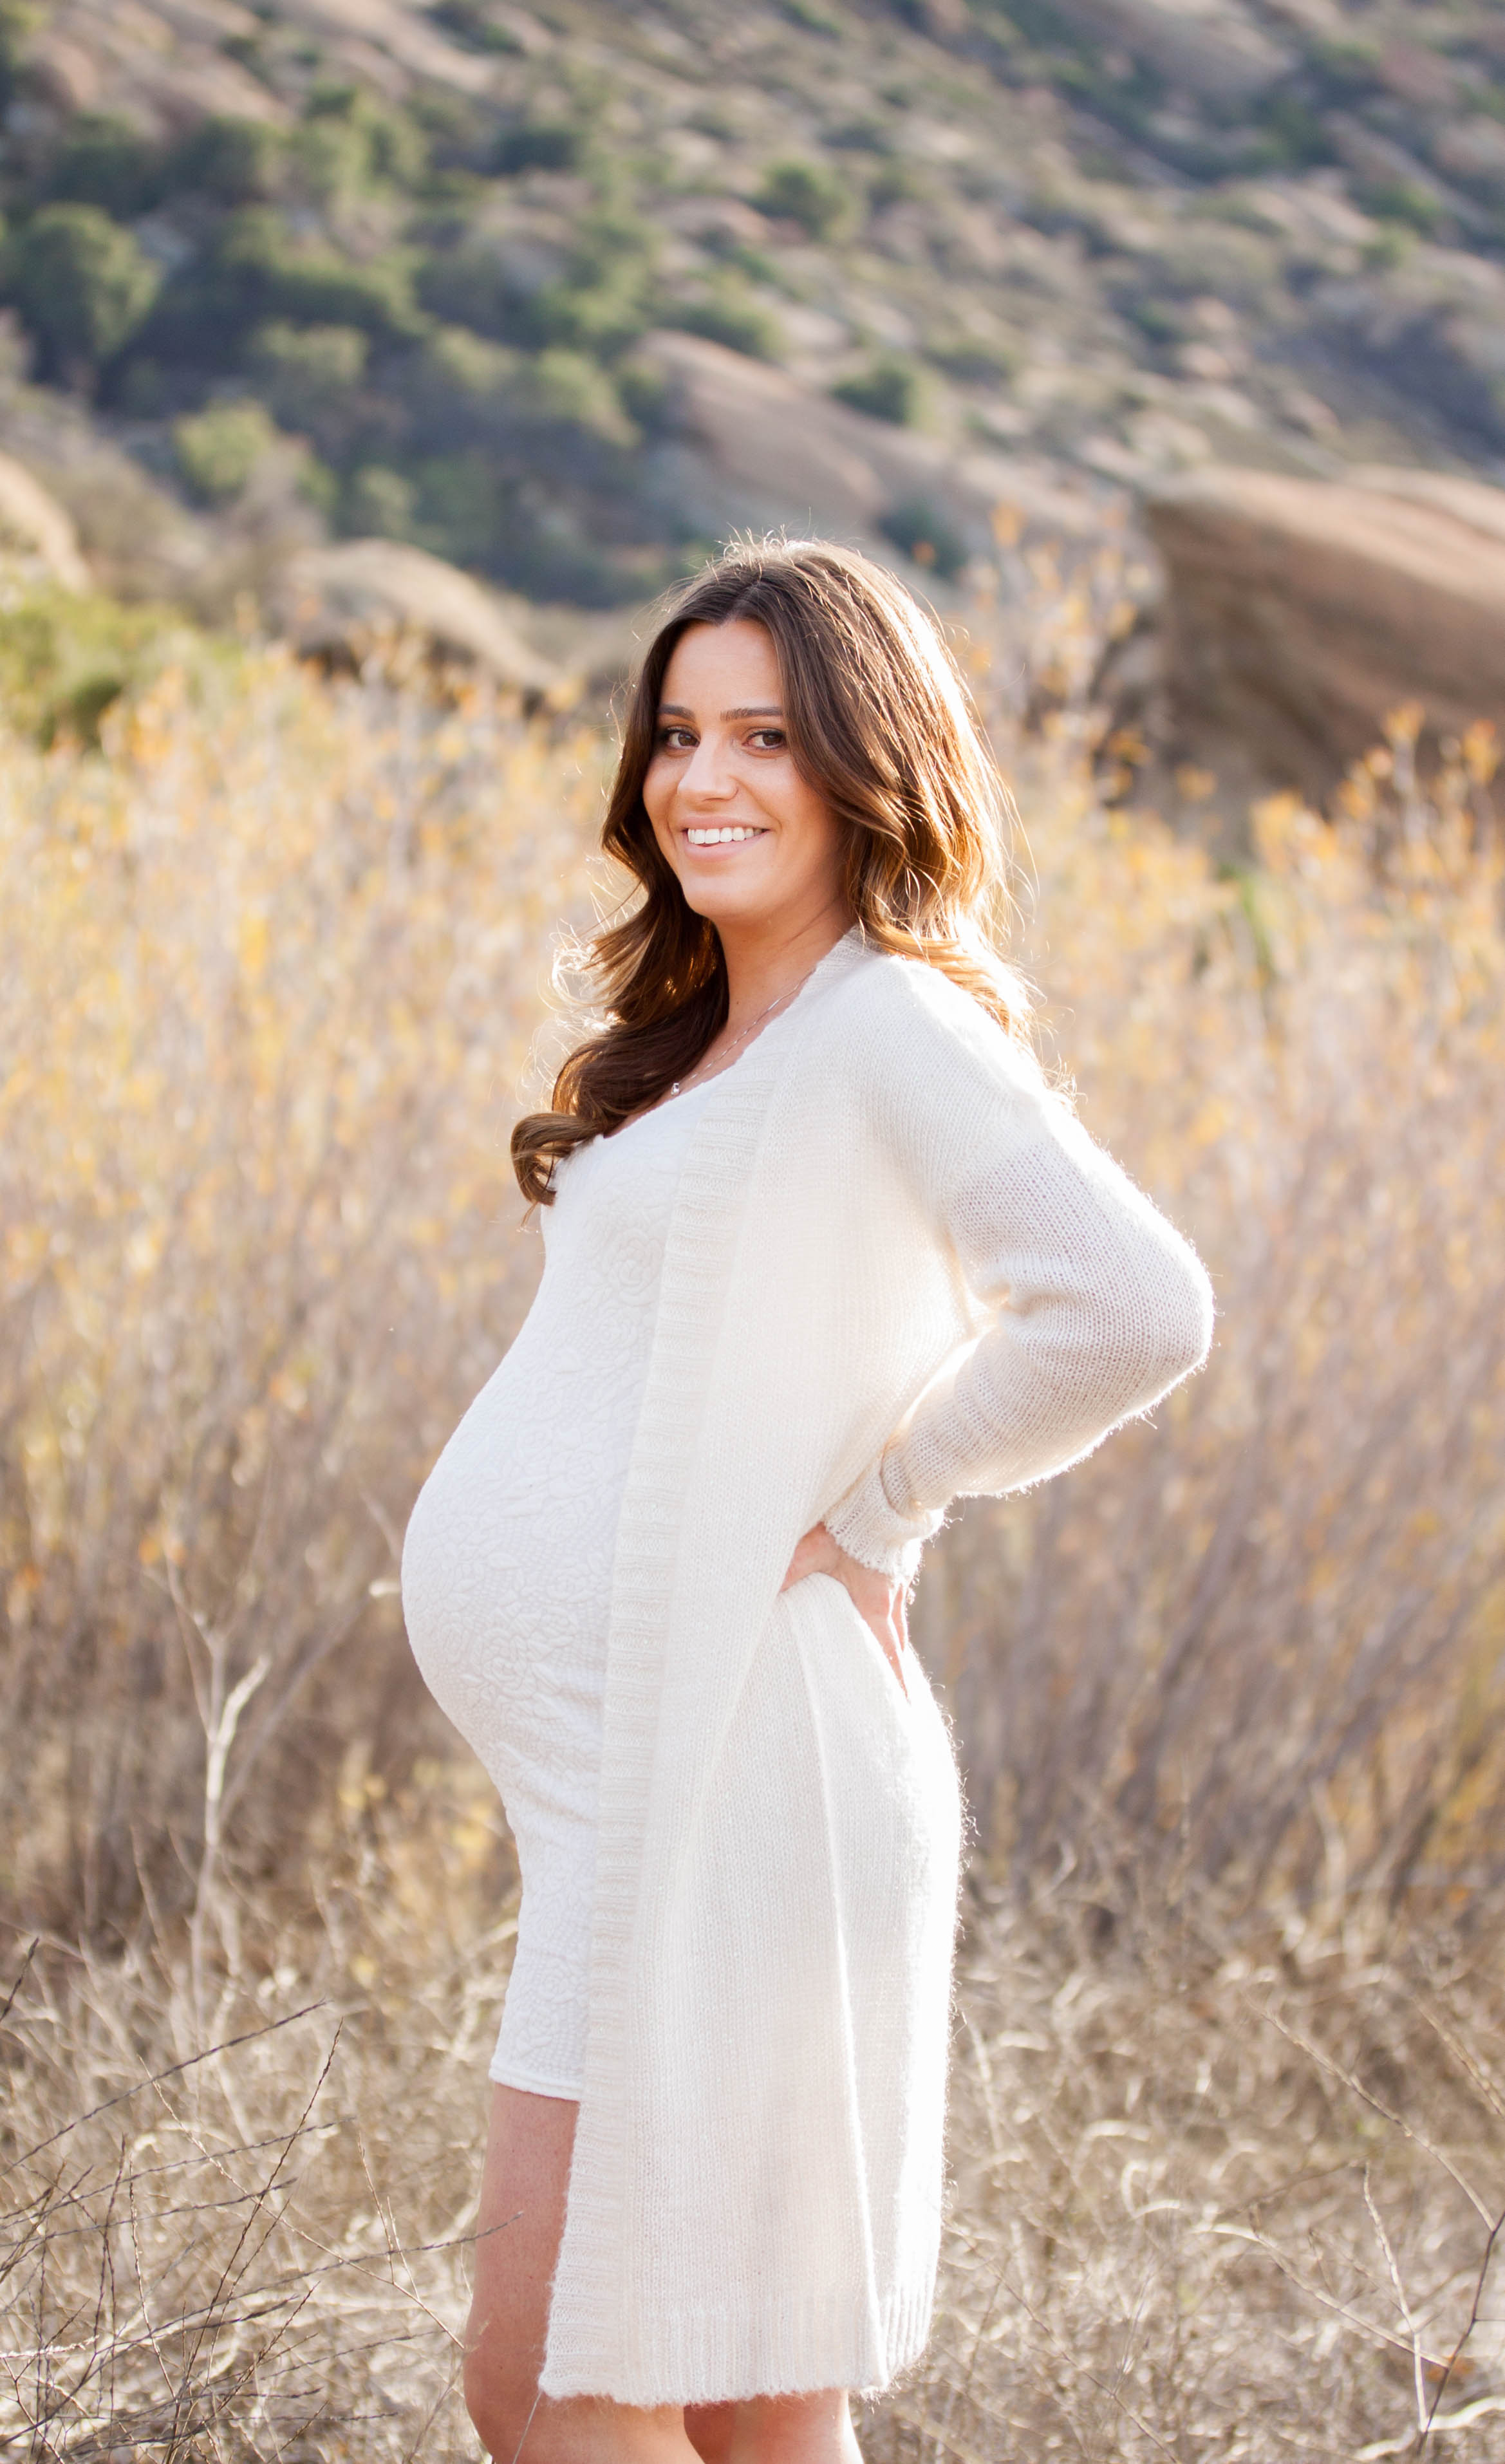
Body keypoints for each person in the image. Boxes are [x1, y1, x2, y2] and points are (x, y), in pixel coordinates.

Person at [400, 539, 1213, 2463]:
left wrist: (887, 1503)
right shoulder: (725, 1047)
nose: (705, 778)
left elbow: (1134, 1303)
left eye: (766, 736)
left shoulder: (886, 1026)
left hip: (726, 1771)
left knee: (551, 2384)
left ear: (866, 765)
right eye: (679, 733)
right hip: (655, 1787)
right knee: (756, 2404)